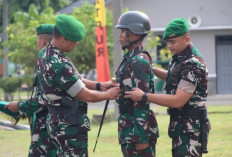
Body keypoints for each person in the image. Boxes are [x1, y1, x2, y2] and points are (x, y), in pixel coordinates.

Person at [35, 14, 120, 157]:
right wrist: (108, 95)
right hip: (68, 128)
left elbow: (76, 79)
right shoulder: (58, 64)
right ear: (64, 38)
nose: (77, 44)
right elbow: (84, 94)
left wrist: (101, 86)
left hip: (58, 123)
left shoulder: (46, 53)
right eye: (75, 41)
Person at [125, 18, 210, 157]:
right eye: (167, 42)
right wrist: (150, 68)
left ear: (187, 39)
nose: (169, 46)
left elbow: (178, 100)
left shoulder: (193, 64)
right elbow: (174, 78)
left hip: (190, 131)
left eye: (173, 42)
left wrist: (144, 96)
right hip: (182, 127)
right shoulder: (180, 57)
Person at [5, 24, 57, 157]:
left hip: (47, 130)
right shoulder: (55, 60)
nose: (37, 45)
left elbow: (44, 99)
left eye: (37, 41)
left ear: (43, 41)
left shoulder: (48, 63)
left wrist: (20, 106)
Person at [114, 11, 159, 157]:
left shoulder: (138, 62)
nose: (119, 36)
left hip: (137, 130)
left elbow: (141, 101)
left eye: (123, 32)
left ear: (136, 34)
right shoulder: (129, 59)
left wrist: (141, 137)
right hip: (129, 126)